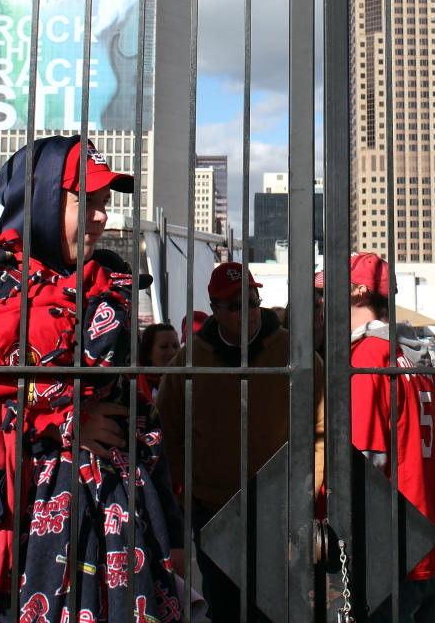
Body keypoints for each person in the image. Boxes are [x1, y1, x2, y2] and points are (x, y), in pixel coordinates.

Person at [0, 135, 183, 622]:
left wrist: (171, 525)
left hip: (114, 530)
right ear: (40, 199)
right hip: (15, 527)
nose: (101, 216)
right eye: (87, 201)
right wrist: (65, 423)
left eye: (105, 204)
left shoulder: (105, 289)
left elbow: (138, 413)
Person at [156, 262, 325, 621]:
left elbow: (324, 428)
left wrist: (308, 489)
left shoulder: (295, 354)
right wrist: (189, 490)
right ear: (215, 309)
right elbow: (166, 430)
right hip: (213, 510)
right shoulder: (189, 360)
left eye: (252, 301)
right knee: (225, 606)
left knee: (276, 607)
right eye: (234, 306)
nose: (247, 312)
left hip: (279, 509)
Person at [348, 252, 435, 622]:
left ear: (359, 292)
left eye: (328, 293)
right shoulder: (414, 355)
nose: (323, 303)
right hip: (427, 535)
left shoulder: (368, 356)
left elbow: (363, 462)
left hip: (390, 548)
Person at [138, 322, 179, 403]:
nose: (172, 352)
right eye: (164, 346)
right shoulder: (139, 385)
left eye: (175, 346)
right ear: (148, 352)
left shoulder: (185, 382)